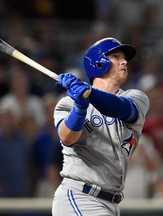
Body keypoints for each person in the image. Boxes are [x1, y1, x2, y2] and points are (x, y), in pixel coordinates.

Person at [52, 37, 149, 215]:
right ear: (98, 63)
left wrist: (88, 93)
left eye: (124, 58)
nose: (124, 61)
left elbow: (120, 108)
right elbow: (67, 137)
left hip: (111, 202)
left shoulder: (137, 97)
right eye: (116, 56)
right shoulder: (67, 103)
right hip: (80, 196)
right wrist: (80, 107)